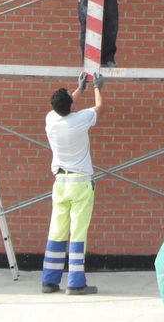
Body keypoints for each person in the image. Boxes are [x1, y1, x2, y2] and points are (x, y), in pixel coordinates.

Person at [41, 72, 106, 295]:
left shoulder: (51, 120)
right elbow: (99, 107)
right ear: (71, 104)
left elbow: (65, 105)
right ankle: (75, 283)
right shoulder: (80, 120)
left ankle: (49, 281)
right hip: (80, 183)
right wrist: (97, 87)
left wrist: (78, 90)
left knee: (57, 230)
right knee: (78, 232)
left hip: (60, 183)